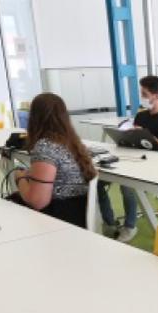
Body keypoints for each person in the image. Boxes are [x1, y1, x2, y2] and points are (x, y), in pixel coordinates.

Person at [98, 75, 158, 241]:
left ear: (156, 95)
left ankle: (130, 226)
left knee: (127, 186)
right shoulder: (141, 116)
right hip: (136, 160)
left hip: (157, 166)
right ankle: (109, 222)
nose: (141, 97)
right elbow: (134, 141)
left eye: (144, 93)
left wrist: (148, 136)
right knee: (98, 182)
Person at [8, 92, 95, 227]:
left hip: (58, 220)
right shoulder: (73, 143)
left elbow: (37, 201)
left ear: (34, 118)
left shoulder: (45, 147)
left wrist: (20, 178)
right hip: (78, 215)